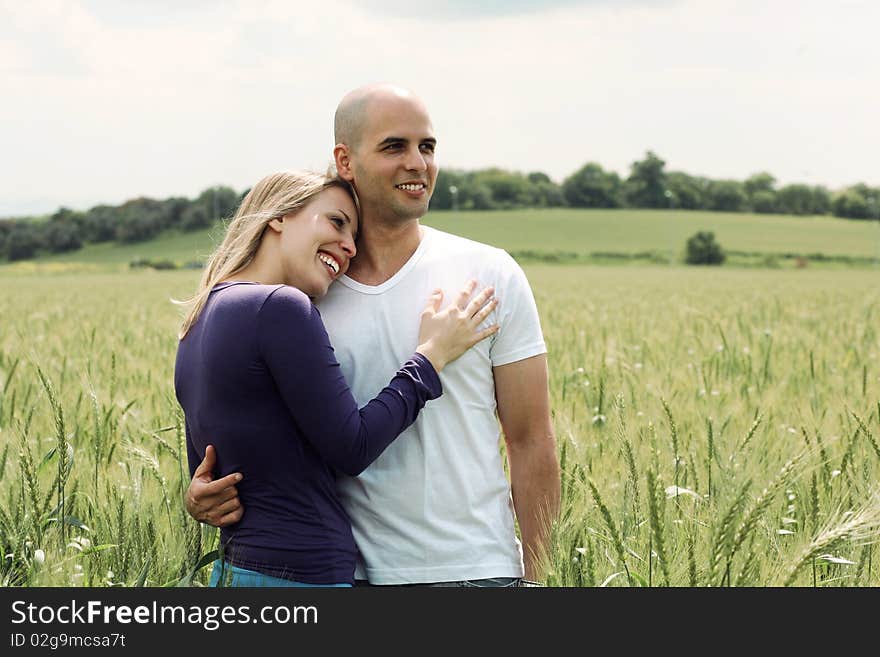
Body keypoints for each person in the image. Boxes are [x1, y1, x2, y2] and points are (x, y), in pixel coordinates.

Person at [187, 84, 561, 586]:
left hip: (475, 572)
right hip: (348, 577)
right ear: (345, 158)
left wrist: (542, 577)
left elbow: (531, 438)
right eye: (394, 147)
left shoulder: (490, 273)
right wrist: (201, 494)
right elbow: (254, 429)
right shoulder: (308, 293)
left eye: (427, 147)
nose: (418, 163)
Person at [175, 169, 499, 587]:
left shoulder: (199, 319)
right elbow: (353, 446)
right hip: (300, 577)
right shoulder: (280, 306)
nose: (349, 248)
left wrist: (194, 499)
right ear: (278, 216)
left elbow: (207, 471)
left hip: (235, 571)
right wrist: (431, 356)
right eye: (336, 222)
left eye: (354, 237)